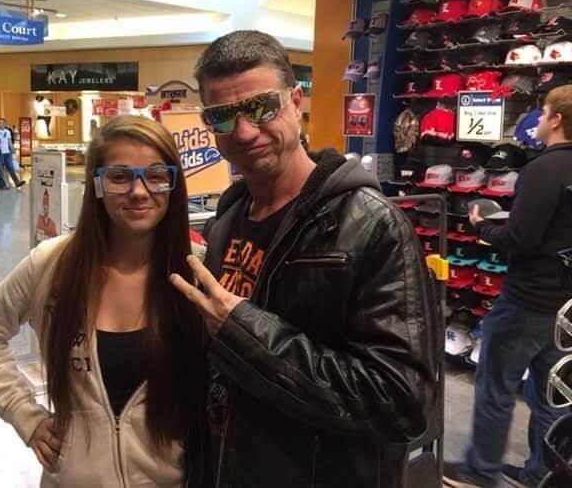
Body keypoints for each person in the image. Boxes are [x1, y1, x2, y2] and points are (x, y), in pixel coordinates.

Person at [169, 30, 438, 487]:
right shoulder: (228, 218)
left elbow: (401, 403)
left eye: (261, 108)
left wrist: (242, 328)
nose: (244, 132)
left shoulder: (373, 226)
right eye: (223, 116)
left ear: (295, 102)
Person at [0, 115, 209, 487]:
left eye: (156, 175)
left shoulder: (198, 271)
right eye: (119, 177)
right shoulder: (52, 264)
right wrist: (23, 414)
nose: (139, 191)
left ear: (173, 184)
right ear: (96, 184)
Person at [443, 86, 572, 488]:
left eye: (544, 112)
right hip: (565, 308)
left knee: (496, 387)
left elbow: (521, 237)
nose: (539, 119)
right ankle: (543, 474)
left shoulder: (544, 168)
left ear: (556, 119)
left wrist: (483, 227)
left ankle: (480, 470)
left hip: (528, 300)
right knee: (552, 395)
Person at [0, 118, 25, 189]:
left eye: (1, 123)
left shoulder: (8, 131)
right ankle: (2, 184)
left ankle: (17, 182)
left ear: (5, 124)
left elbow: (9, 142)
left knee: (10, 167)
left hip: (7, 152)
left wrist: (13, 149)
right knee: (0, 168)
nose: (0, 124)